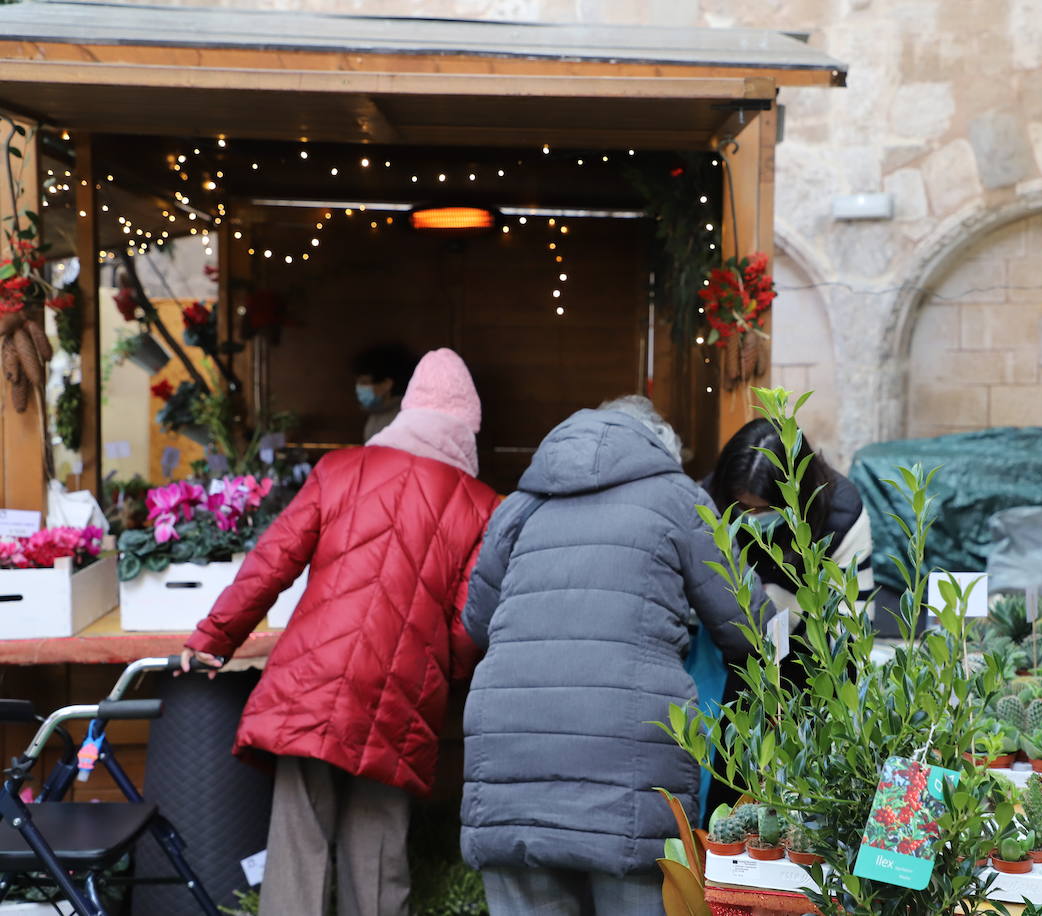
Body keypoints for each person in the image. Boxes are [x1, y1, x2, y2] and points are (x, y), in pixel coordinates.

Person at [181, 348, 499, 916]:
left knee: (298, 846)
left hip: (314, 677)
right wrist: (438, 669)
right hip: (402, 689)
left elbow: (271, 562)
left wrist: (213, 637)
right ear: (468, 427)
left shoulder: (340, 469)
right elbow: (471, 621)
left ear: (408, 410)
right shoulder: (482, 507)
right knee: (378, 854)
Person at [460, 395, 754, 916]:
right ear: (659, 449)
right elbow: (747, 626)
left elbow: (476, 623)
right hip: (630, 765)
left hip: (511, 756)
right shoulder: (678, 497)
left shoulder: (520, 506)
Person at [700, 418, 874, 812]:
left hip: (813, 655)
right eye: (740, 507)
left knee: (809, 797)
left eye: (762, 510)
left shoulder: (840, 510)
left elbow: (850, 626)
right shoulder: (708, 501)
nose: (750, 517)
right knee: (732, 783)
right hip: (735, 654)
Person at [351, 343, 416, 440]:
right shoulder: (376, 414)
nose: (358, 388)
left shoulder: (399, 420)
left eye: (364, 382)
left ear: (386, 384)